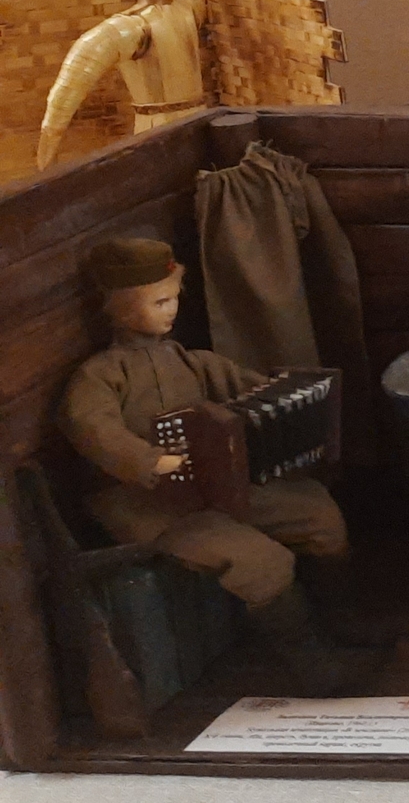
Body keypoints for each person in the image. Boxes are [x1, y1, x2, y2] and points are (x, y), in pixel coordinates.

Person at [57, 237, 382, 694]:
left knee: (317, 514)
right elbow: (92, 428)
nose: (172, 310)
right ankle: (311, 663)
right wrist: (151, 460)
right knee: (262, 561)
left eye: (174, 298)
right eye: (159, 301)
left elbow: (252, 387)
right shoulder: (101, 376)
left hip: (214, 487)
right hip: (152, 505)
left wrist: (287, 398)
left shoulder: (189, 362)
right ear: (120, 307)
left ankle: (340, 620)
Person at [36, 0, 207, 169]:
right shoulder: (187, 12)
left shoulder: (129, 29)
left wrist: (45, 161)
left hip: (156, 136)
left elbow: (64, 96)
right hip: (200, 127)